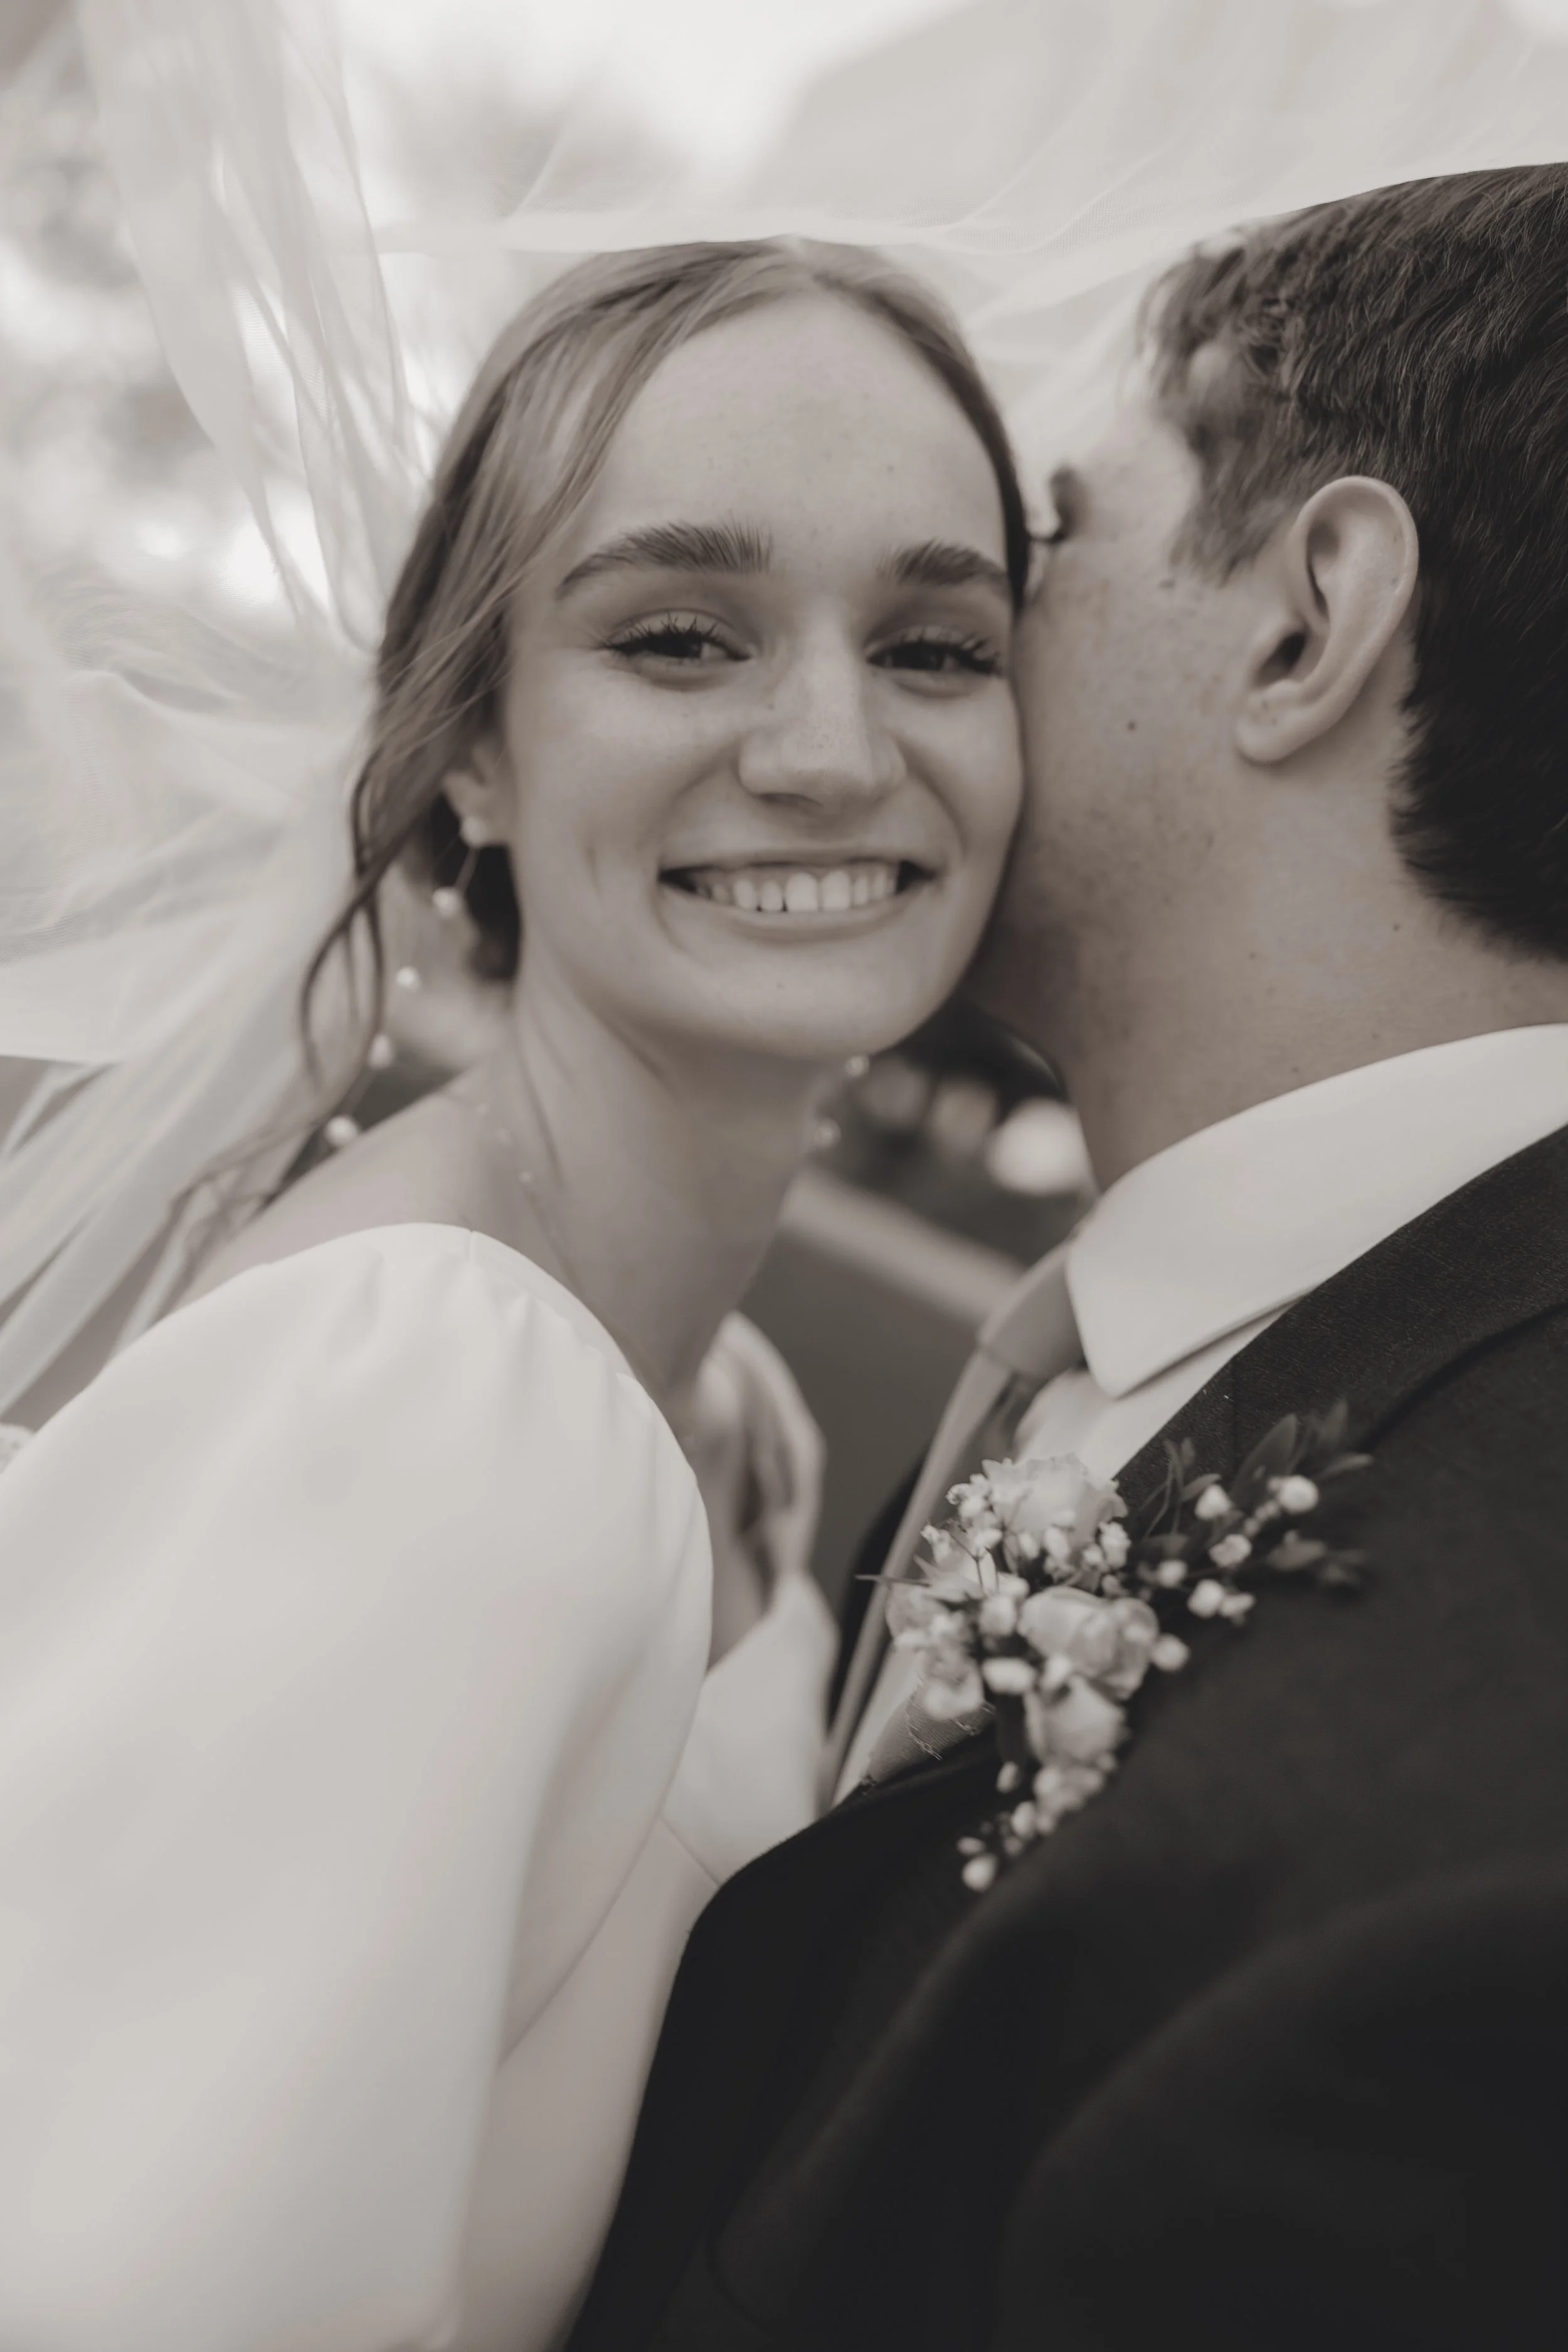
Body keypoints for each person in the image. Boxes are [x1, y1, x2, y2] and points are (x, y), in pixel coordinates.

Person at [566, 165, 1568, 2352]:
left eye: (1052, 538)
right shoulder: (1177, 1349)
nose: (955, 651)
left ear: (1309, 624)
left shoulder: (1465, 1869)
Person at [0, 239, 1027, 2352]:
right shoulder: (437, 1407)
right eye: (678, 635)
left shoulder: (719, 1411)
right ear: (468, 744)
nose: (831, 748)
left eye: (935, 644)